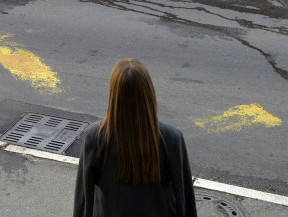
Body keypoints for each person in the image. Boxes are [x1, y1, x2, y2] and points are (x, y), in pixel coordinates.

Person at [73, 58, 197, 217]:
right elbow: (184, 198)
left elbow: (83, 199)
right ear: (149, 94)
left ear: (114, 95)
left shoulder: (95, 137)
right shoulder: (172, 138)